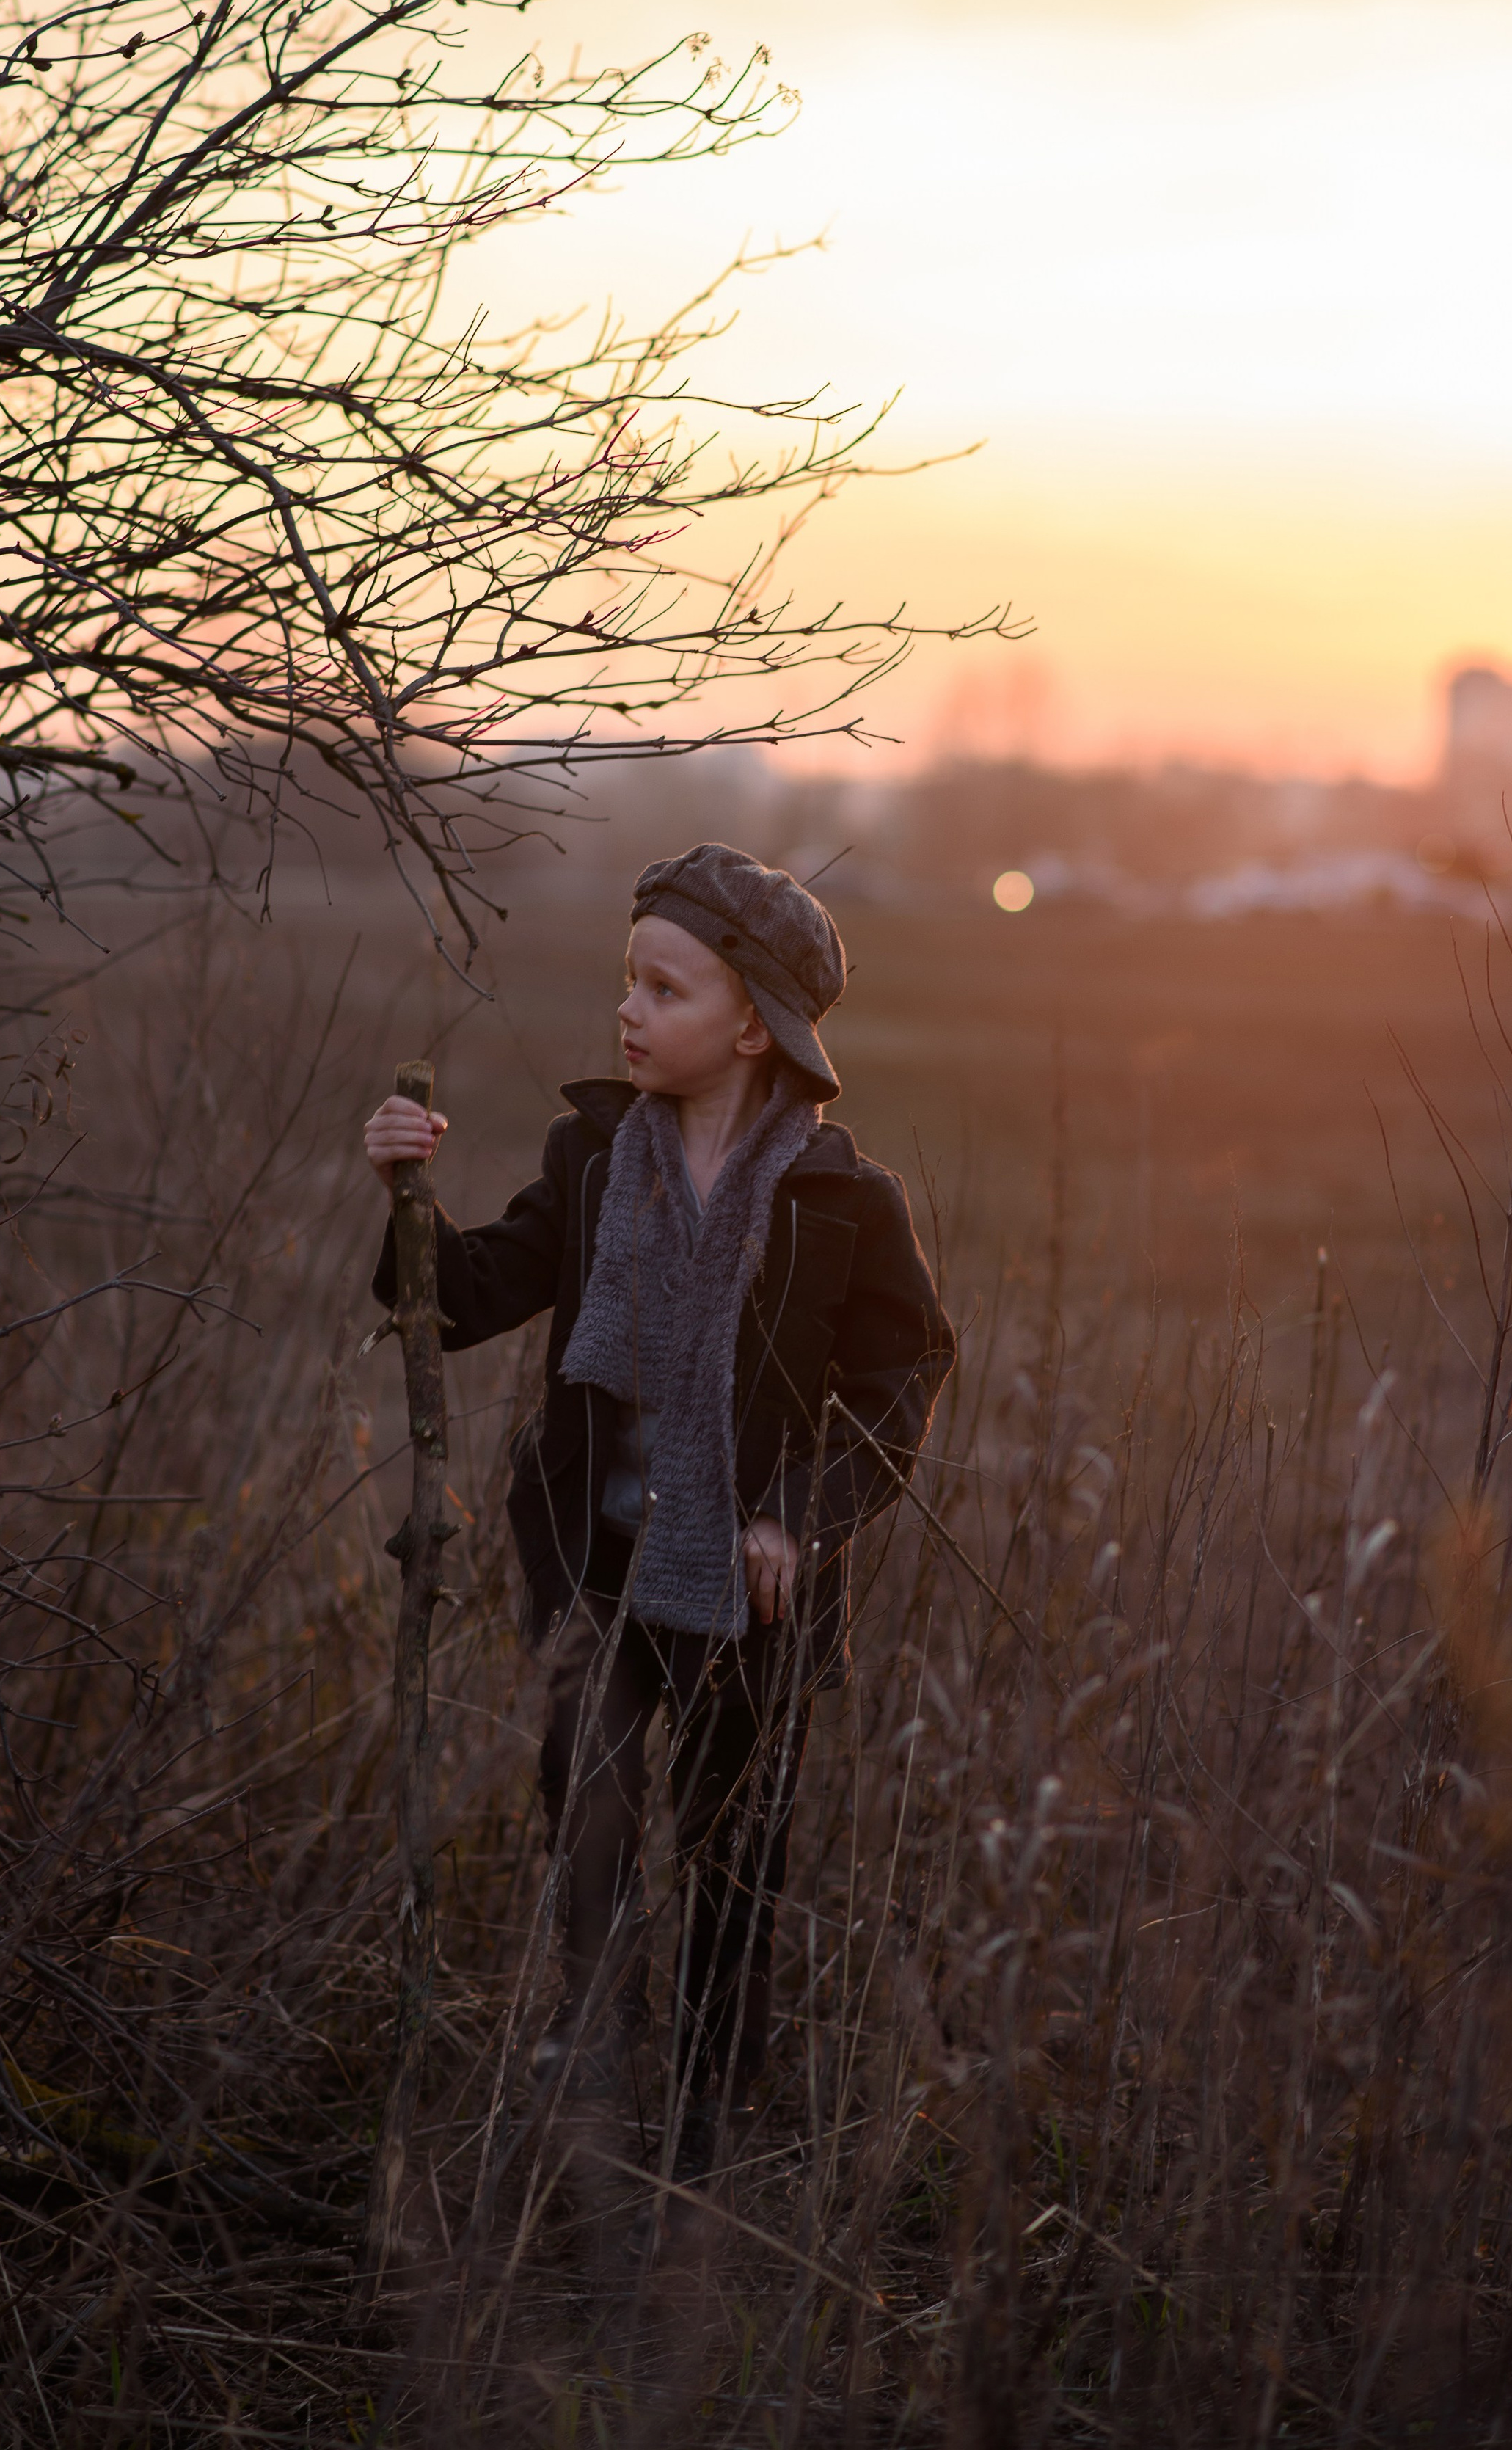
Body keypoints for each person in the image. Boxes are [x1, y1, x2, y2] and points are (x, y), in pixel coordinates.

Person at [362, 842, 954, 2184]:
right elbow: (449, 1302)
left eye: (664, 990)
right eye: (628, 981)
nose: (628, 1010)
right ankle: (585, 2111)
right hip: (592, 1569)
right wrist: (403, 1194)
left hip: (754, 1596)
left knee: (736, 1870)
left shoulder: (842, 1204)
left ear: (753, 1025)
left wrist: (798, 1518)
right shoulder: (589, 1161)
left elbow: (900, 1382)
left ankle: (701, 2149)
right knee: (591, 1839)